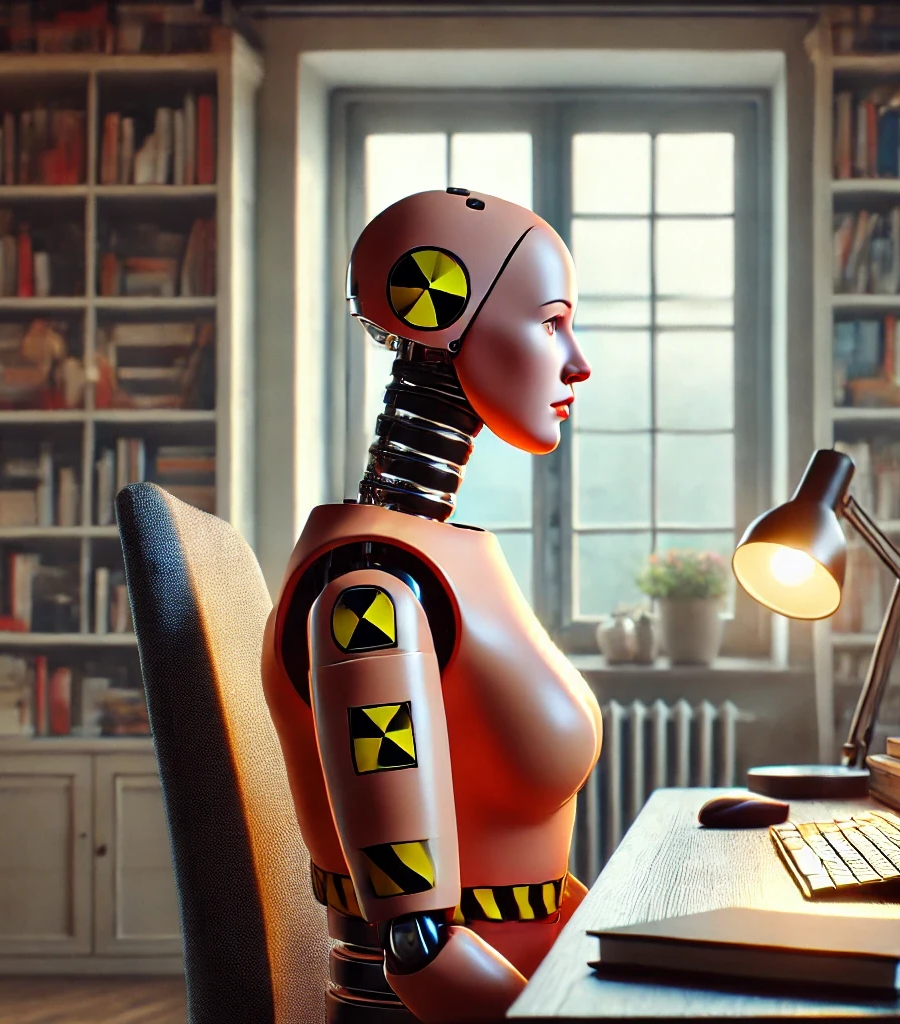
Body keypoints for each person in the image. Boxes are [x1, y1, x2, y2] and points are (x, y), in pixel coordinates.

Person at [260, 189, 599, 1023]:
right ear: (441, 309)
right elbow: (418, 944)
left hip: (540, 977)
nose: (577, 360)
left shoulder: (425, 562)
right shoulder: (371, 592)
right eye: (550, 321)